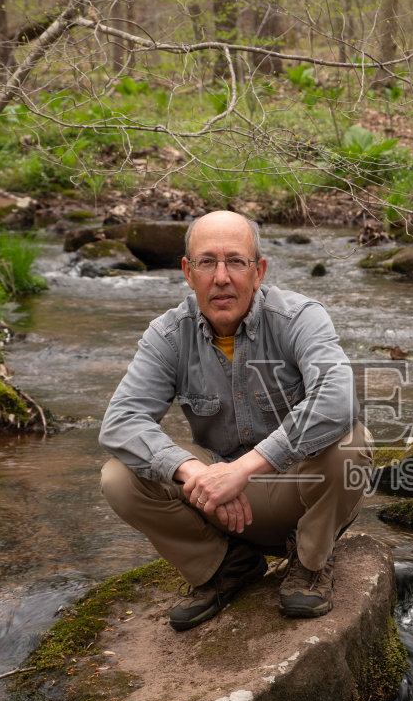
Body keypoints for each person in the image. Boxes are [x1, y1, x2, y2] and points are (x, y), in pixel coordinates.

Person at [98, 210, 369, 631]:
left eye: (235, 262)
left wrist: (244, 469)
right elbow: (121, 420)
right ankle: (225, 566)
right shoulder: (168, 335)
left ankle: (311, 561)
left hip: (295, 494)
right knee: (119, 476)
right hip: (219, 506)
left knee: (351, 441)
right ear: (188, 273)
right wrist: (196, 473)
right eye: (207, 262)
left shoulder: (299, 317)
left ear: (258, 271)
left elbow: (339, 397)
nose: (221, 277)